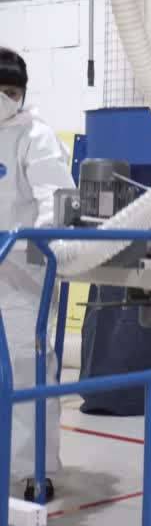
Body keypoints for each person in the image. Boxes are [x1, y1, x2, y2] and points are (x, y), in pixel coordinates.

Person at [0, 47, 74, 502]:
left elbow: (58, 203)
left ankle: (34, 471)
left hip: (22, 282)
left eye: (13, 92)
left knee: (28, 373)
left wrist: (26, 240)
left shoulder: (35, 135)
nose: (7, 98)